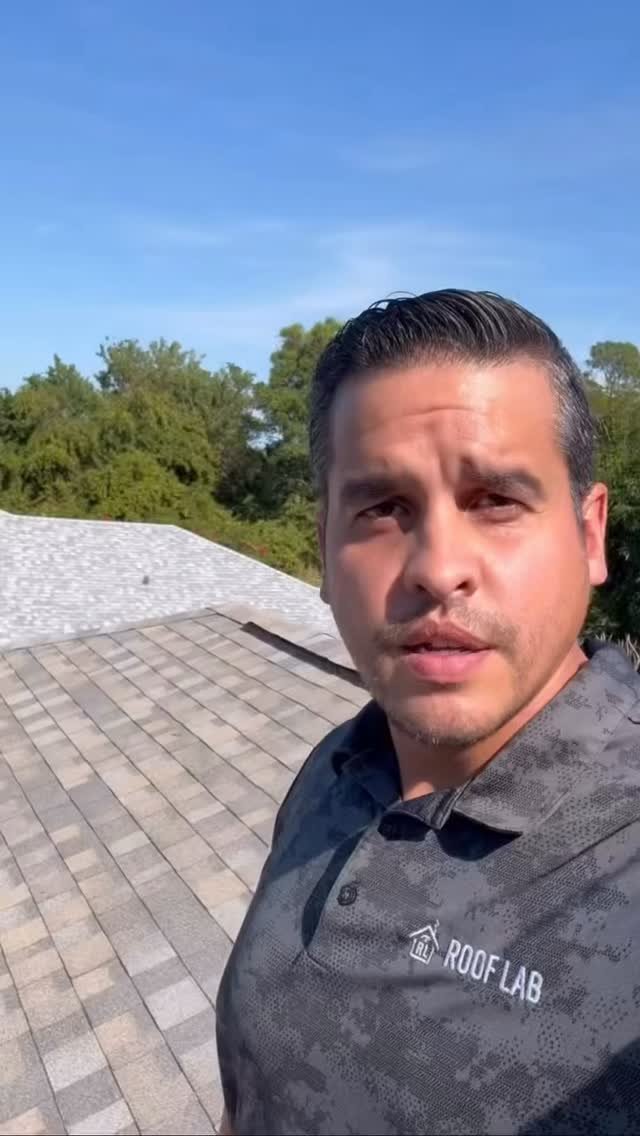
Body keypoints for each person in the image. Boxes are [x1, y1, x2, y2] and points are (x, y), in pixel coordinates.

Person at [216, 290, 640, 1135]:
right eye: (382, 508)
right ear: (325, 545)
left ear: (589, 535)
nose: (439, 568)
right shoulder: (338, 763)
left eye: (496, 500)